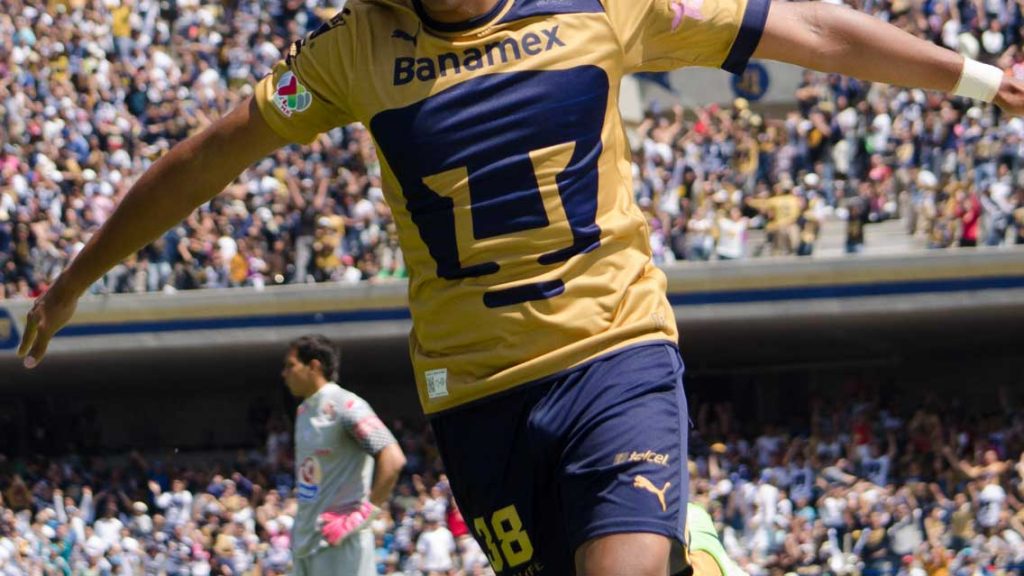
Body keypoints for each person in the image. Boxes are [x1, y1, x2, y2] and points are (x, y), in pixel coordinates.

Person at [17, 0, 1024, 572]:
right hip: (476, 398)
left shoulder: (602, 5)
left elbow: (807, 29)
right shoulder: (352, 50)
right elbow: (206, 158)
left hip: (615, 356)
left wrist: (980, 81)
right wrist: (74, 280)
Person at [281, 335, 407, 575]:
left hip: (341, 542)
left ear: (314, 366)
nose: (284, 373)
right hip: (305, 543)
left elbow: (393, 458)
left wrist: (364, 515)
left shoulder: (346, 406)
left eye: (290, 365)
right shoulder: (304, 411)